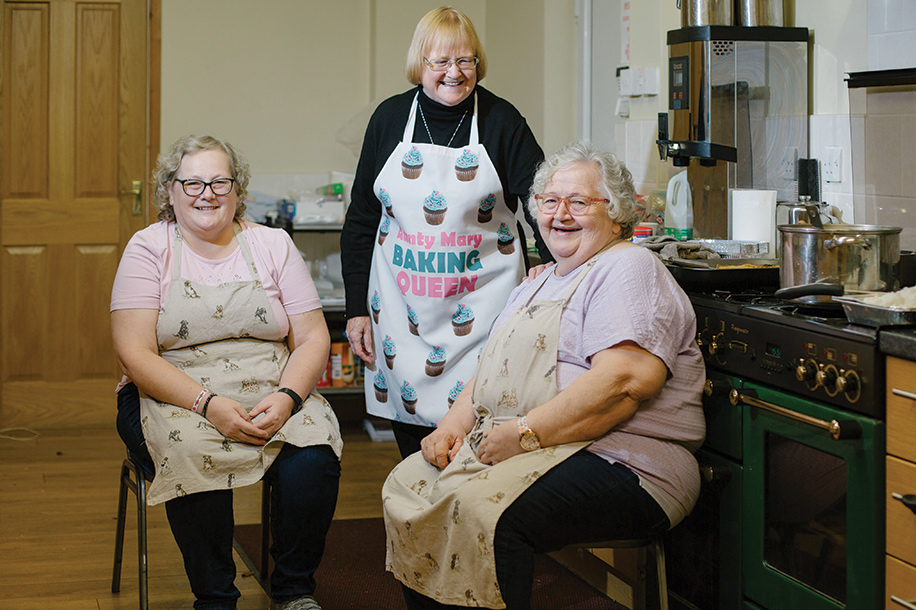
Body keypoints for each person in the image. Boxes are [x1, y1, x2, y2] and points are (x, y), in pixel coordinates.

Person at [382, 141, 707, 610]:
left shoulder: (628, 267)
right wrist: (451, 428)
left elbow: (624, 383)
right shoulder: (540, 280)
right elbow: (491, 367)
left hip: (628, 463)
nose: (561, 215)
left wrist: (524, 434)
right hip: (542, 446)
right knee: (410, 484)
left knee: (485, 514)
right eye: (550, 202)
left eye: (580, 202)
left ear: (616, 214)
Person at [111, 134, 343, 610]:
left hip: (272, 385)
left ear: (238, 191)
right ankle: (215, 598)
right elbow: (134, 354)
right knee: (194, 452)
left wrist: (287, 399)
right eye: (192, 182)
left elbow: (313, 336)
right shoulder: (148, 248)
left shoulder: (273, 243)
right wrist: (208, 405)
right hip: (173, 392)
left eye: (220, 181)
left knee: (314, 453)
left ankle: (294, 590)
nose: (207, 193)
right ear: (169, 192)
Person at [340, 6, 550, 458]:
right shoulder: (389, 119)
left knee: (478, 449)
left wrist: (551, 268)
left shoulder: (501, 120)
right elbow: (361, 219)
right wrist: (356, 308)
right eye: (440, 62)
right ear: (421, 64)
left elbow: (541, 201)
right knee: (416, 454)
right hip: (403, 316)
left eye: (466, 60)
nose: (454, 73)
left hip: (484, 311)